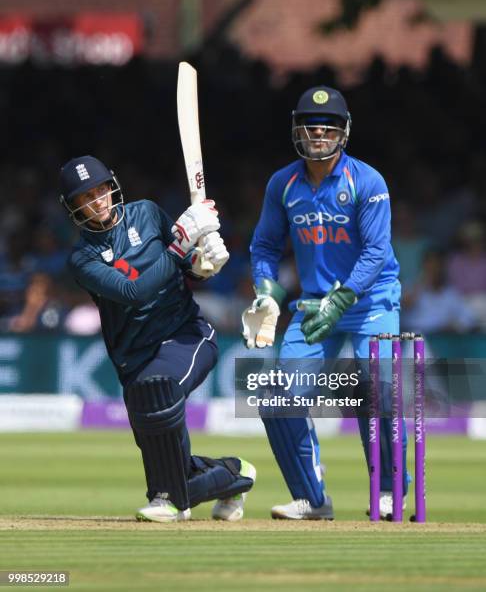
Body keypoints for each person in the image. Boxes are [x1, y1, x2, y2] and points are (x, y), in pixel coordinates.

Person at [60, 155, 256, 523]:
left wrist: (203, 261)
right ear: (73, 206)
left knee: (158, 389)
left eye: (101, 189)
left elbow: (185, 268)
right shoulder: (82, 259)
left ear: (112, 187)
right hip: (133, 359)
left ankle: (170, 501)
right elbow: (134, 292)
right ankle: (233, 474)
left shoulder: (146, 214)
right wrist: (181, 246)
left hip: (186, 336)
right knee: (169, 463)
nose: (97, 200)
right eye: (86, 196)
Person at [242, 86, 406, 520]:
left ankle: (391, 489)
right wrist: (266, 292)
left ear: (343, 131)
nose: (318, 133)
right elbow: (264, 246)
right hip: (314, 304)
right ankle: (311, 499)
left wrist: (343, 298)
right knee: (277, 398)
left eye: (328, 126)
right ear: (297, 130)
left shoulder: (367, 182)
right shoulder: (284, 183)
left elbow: (376, 252)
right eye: (310, 127)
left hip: (371, 300)